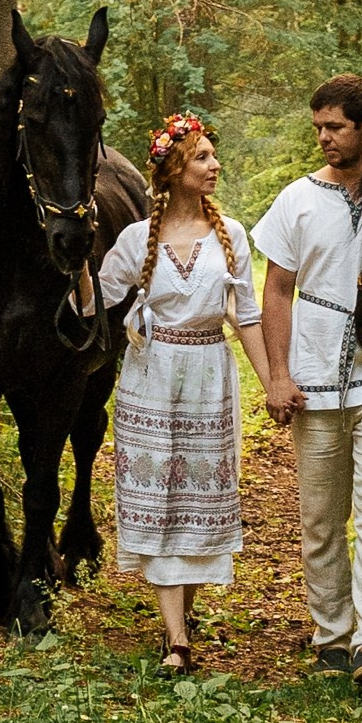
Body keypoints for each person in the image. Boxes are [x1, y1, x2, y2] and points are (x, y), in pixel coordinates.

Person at [96, 113, 293, 677]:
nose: (215, 165)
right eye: (203, 157)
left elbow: (246, 317)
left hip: (209, 376)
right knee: (158, 499)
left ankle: (180, 616)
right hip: (150, 379)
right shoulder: (139, 239)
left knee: (198, 505)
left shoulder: (229, 234)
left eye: (212, 156)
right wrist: (73, 267)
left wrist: (273, 383)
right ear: (176, 169)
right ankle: (177, 637)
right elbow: (95, 302)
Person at [251, 73, 362, 687]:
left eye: (335, 127)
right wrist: (277, 375)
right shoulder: (296, 200)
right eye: (318, 127)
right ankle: (332, 631)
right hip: (313, 374)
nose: (324, 138)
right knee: (322, 516)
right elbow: (274, 292)